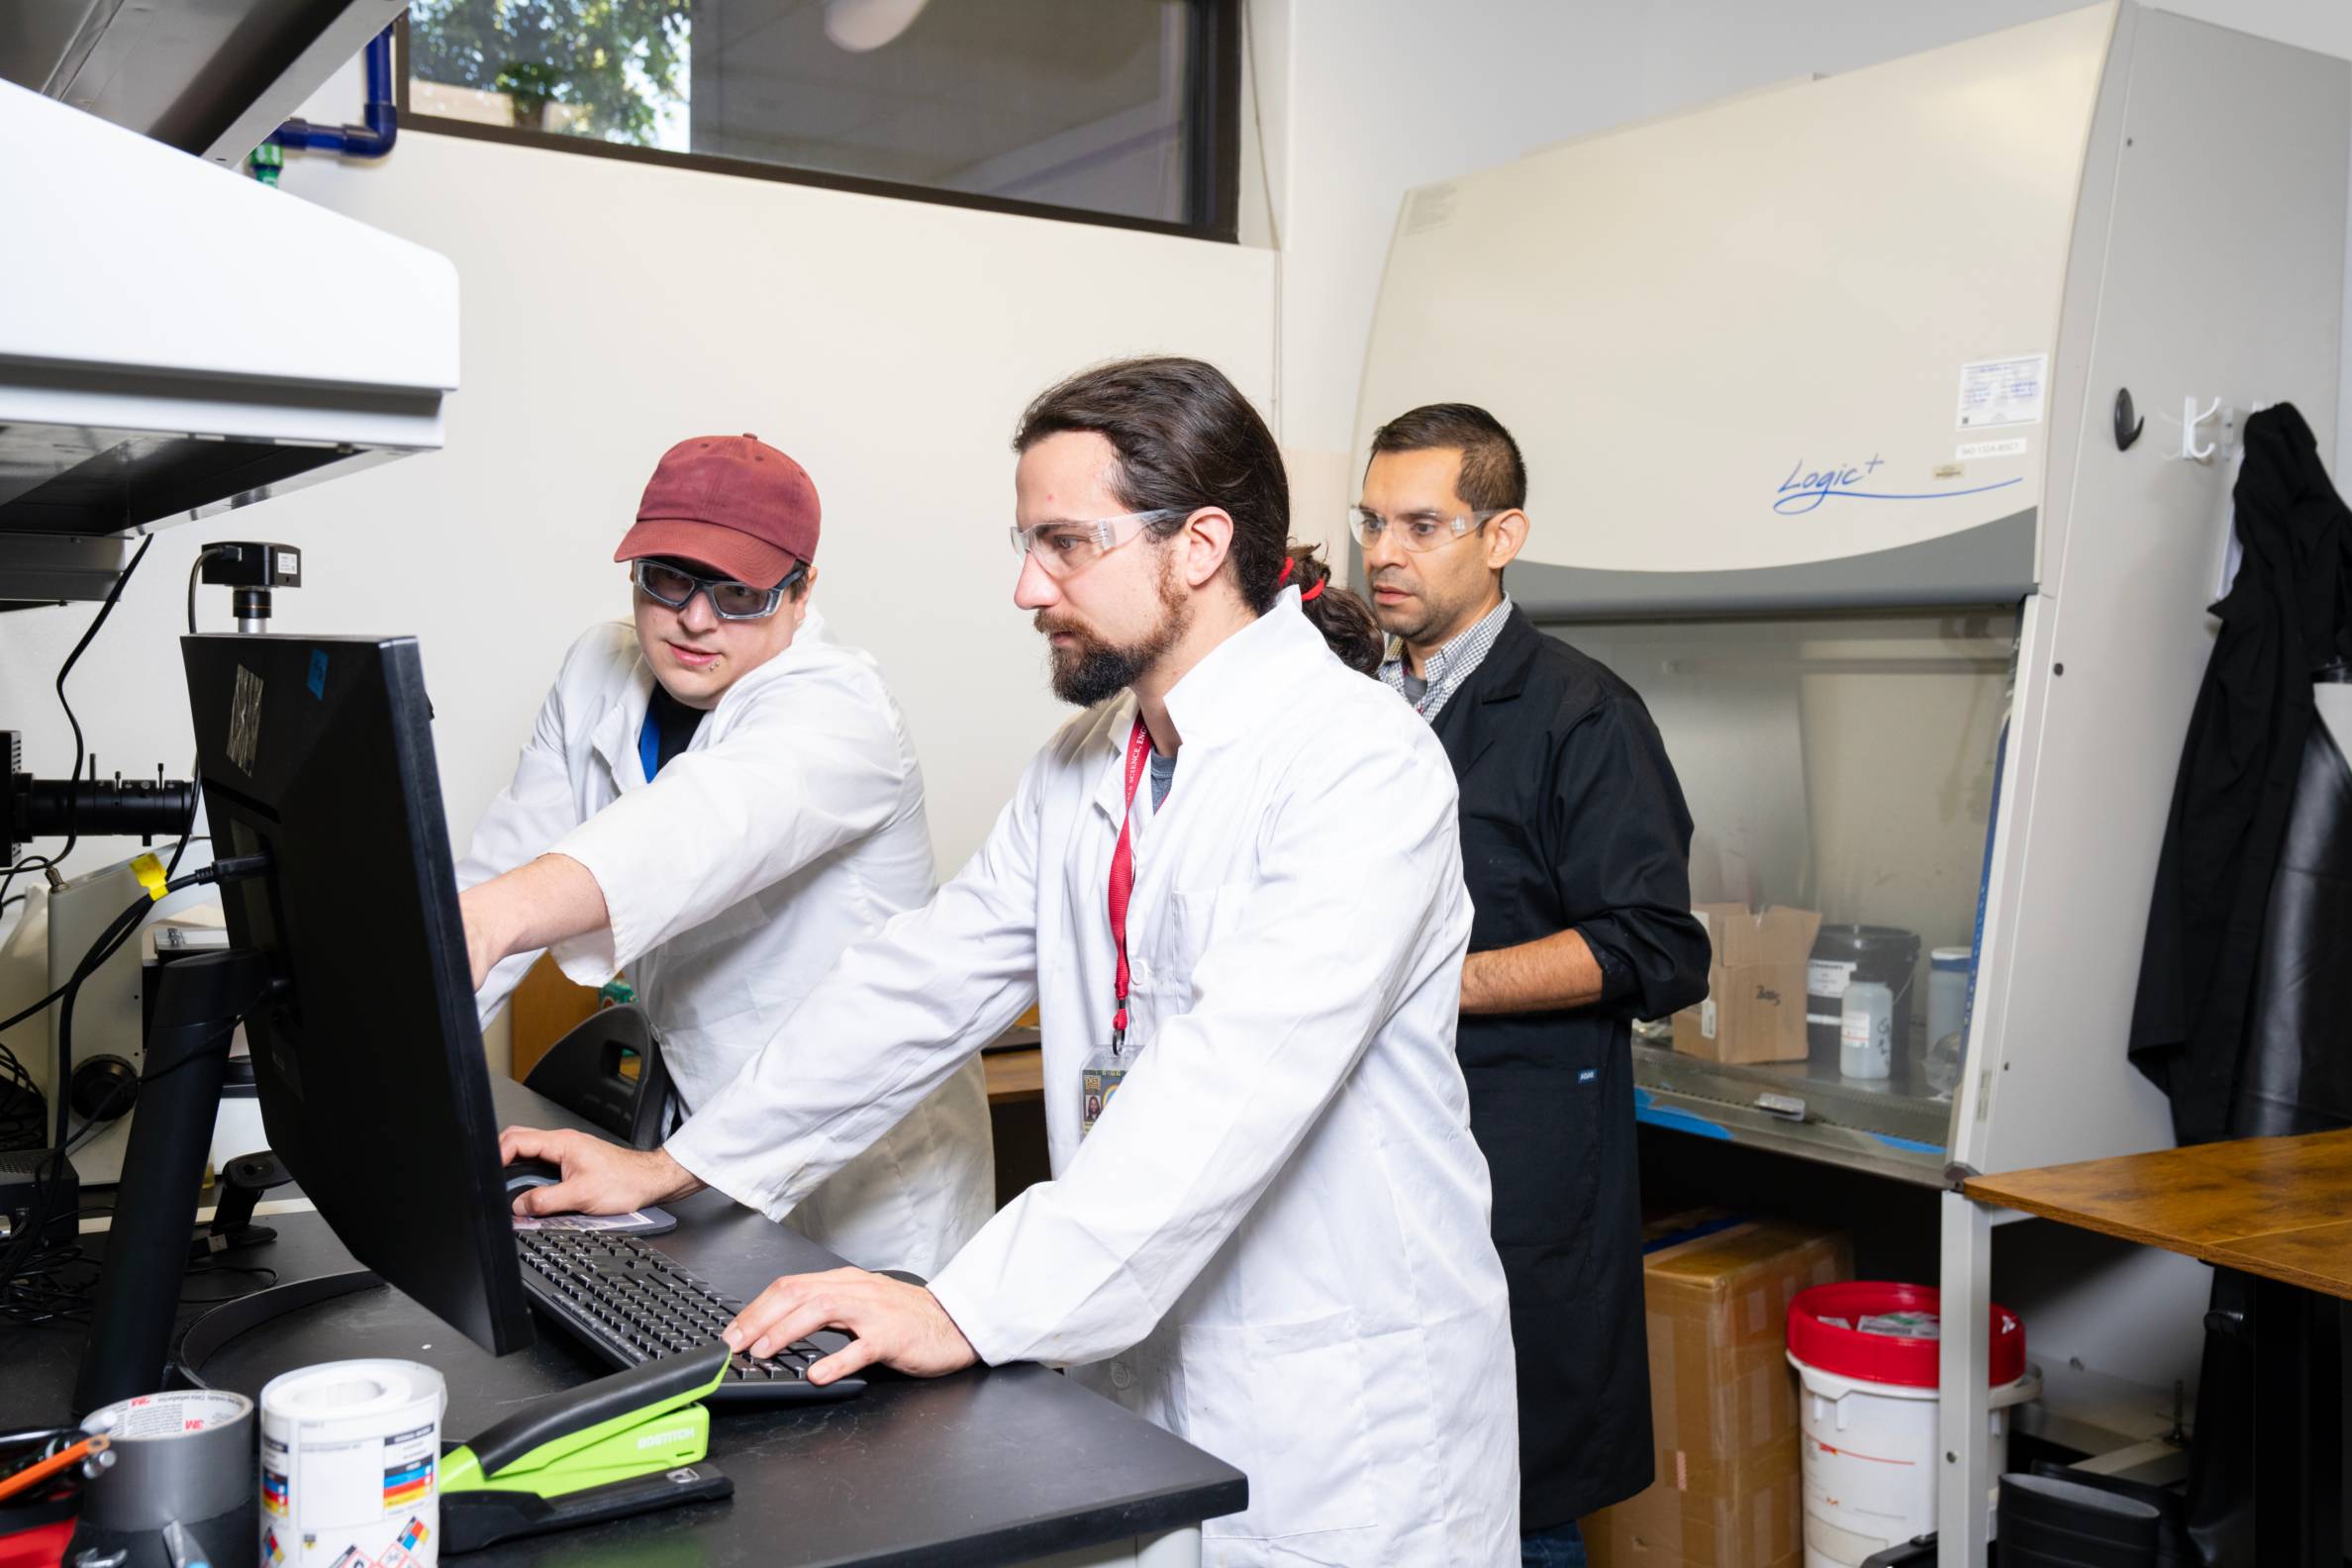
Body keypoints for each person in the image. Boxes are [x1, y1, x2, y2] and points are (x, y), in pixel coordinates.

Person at [503, 359, 1521, 1563]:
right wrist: (676, 1168)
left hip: (1340, 1402)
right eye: (1025, 540)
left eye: (1064, 544)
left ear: (1199, 544)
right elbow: (920, 985)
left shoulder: (1359, 766)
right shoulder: (1091, 758)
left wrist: (960, 1306)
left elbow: (1229, 1089)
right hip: (1135, 1365)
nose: (1029, 585)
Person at [457, 433, 993, 1278]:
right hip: (703, 1128)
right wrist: (404, 1070)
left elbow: (691, 831)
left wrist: (494, 915)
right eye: (669, 578)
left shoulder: (842, 710)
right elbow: (498, 879)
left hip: (866, 1168)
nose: (697, 620)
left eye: (740, 592)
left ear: (802, 590)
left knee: (888, 1405)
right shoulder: (598, 668)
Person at [1355, 403, 1710, 1567]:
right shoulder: (1358, 706)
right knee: (1392, 1471)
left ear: (1501, 536)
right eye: (1371, 524)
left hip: (1525, 1150)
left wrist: (1426, 986)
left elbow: (1655, 946)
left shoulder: (1581, 712)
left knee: (1515, 1482)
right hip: (1377, 1149)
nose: (1384, 553)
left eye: (1422, 524)